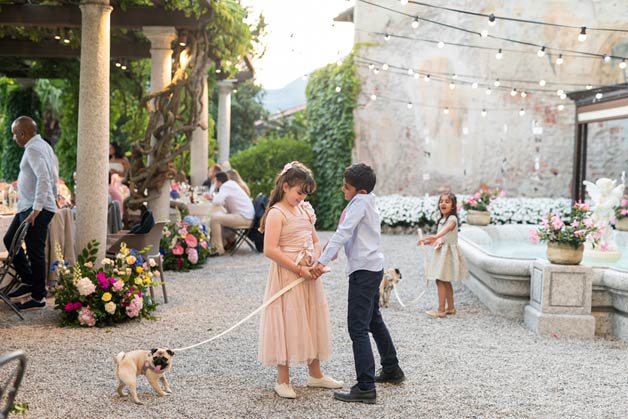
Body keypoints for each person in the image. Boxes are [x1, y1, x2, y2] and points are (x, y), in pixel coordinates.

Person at [313, 163, 404, 404]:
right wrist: (327, 253)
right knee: (373, 319)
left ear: (359, 191)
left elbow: (343, 233)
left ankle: (365, 387)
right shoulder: (368, 199)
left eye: (346, 187)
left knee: (357, 327)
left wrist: (320, 263)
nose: (343, 190)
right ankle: (392, 369)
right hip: (373, 267)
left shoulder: (360, 203)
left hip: (364, 271)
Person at [258, 161, 342, 399]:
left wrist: (315, 261)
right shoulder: (277, 213)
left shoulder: (304, 210)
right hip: (287, 276)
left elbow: (315, 240)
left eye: (305, 194)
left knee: (311, 319)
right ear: (285, 187)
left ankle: (315, 374)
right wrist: (297, 267)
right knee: (287, 321)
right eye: (299, 192)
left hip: (309, 276)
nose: (302, 197)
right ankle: (282, 379)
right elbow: (270, 249)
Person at [4, 116, 59, 311]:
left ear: (23, 133)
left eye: (14, 134)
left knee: (35, 251)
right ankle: (28, 281)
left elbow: (44, 177)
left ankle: (38, 296)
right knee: (10, 240)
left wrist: (37, 208)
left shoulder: (34, 149)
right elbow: (54, 175)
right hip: (31, 206)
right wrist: (54, 197)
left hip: (35, 208)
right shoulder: (42, 145)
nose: (13, 138)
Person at [420, 192, 468, 318]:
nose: (443, 203)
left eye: (447, 201)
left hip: (448, 254)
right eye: (441, 201)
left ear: (453, 206)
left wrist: (436, 236)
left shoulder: (452, 219)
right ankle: (451, 308)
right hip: (442, 252)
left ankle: (441, 310)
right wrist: (428, 241)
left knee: (440, 279)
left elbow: (448, 229)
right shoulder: (442, 220)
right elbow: (441, 238)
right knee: (445, 281)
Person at [208, 171, 254, 256]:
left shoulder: (226, 186)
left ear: (218, 182)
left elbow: (217, 201)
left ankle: (217, 249)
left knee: (215, 218)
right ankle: (224, 243)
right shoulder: (231, 184)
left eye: (215, 182)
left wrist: (213, 187)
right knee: (218, 216)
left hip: (244, 218)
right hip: (247, 216)